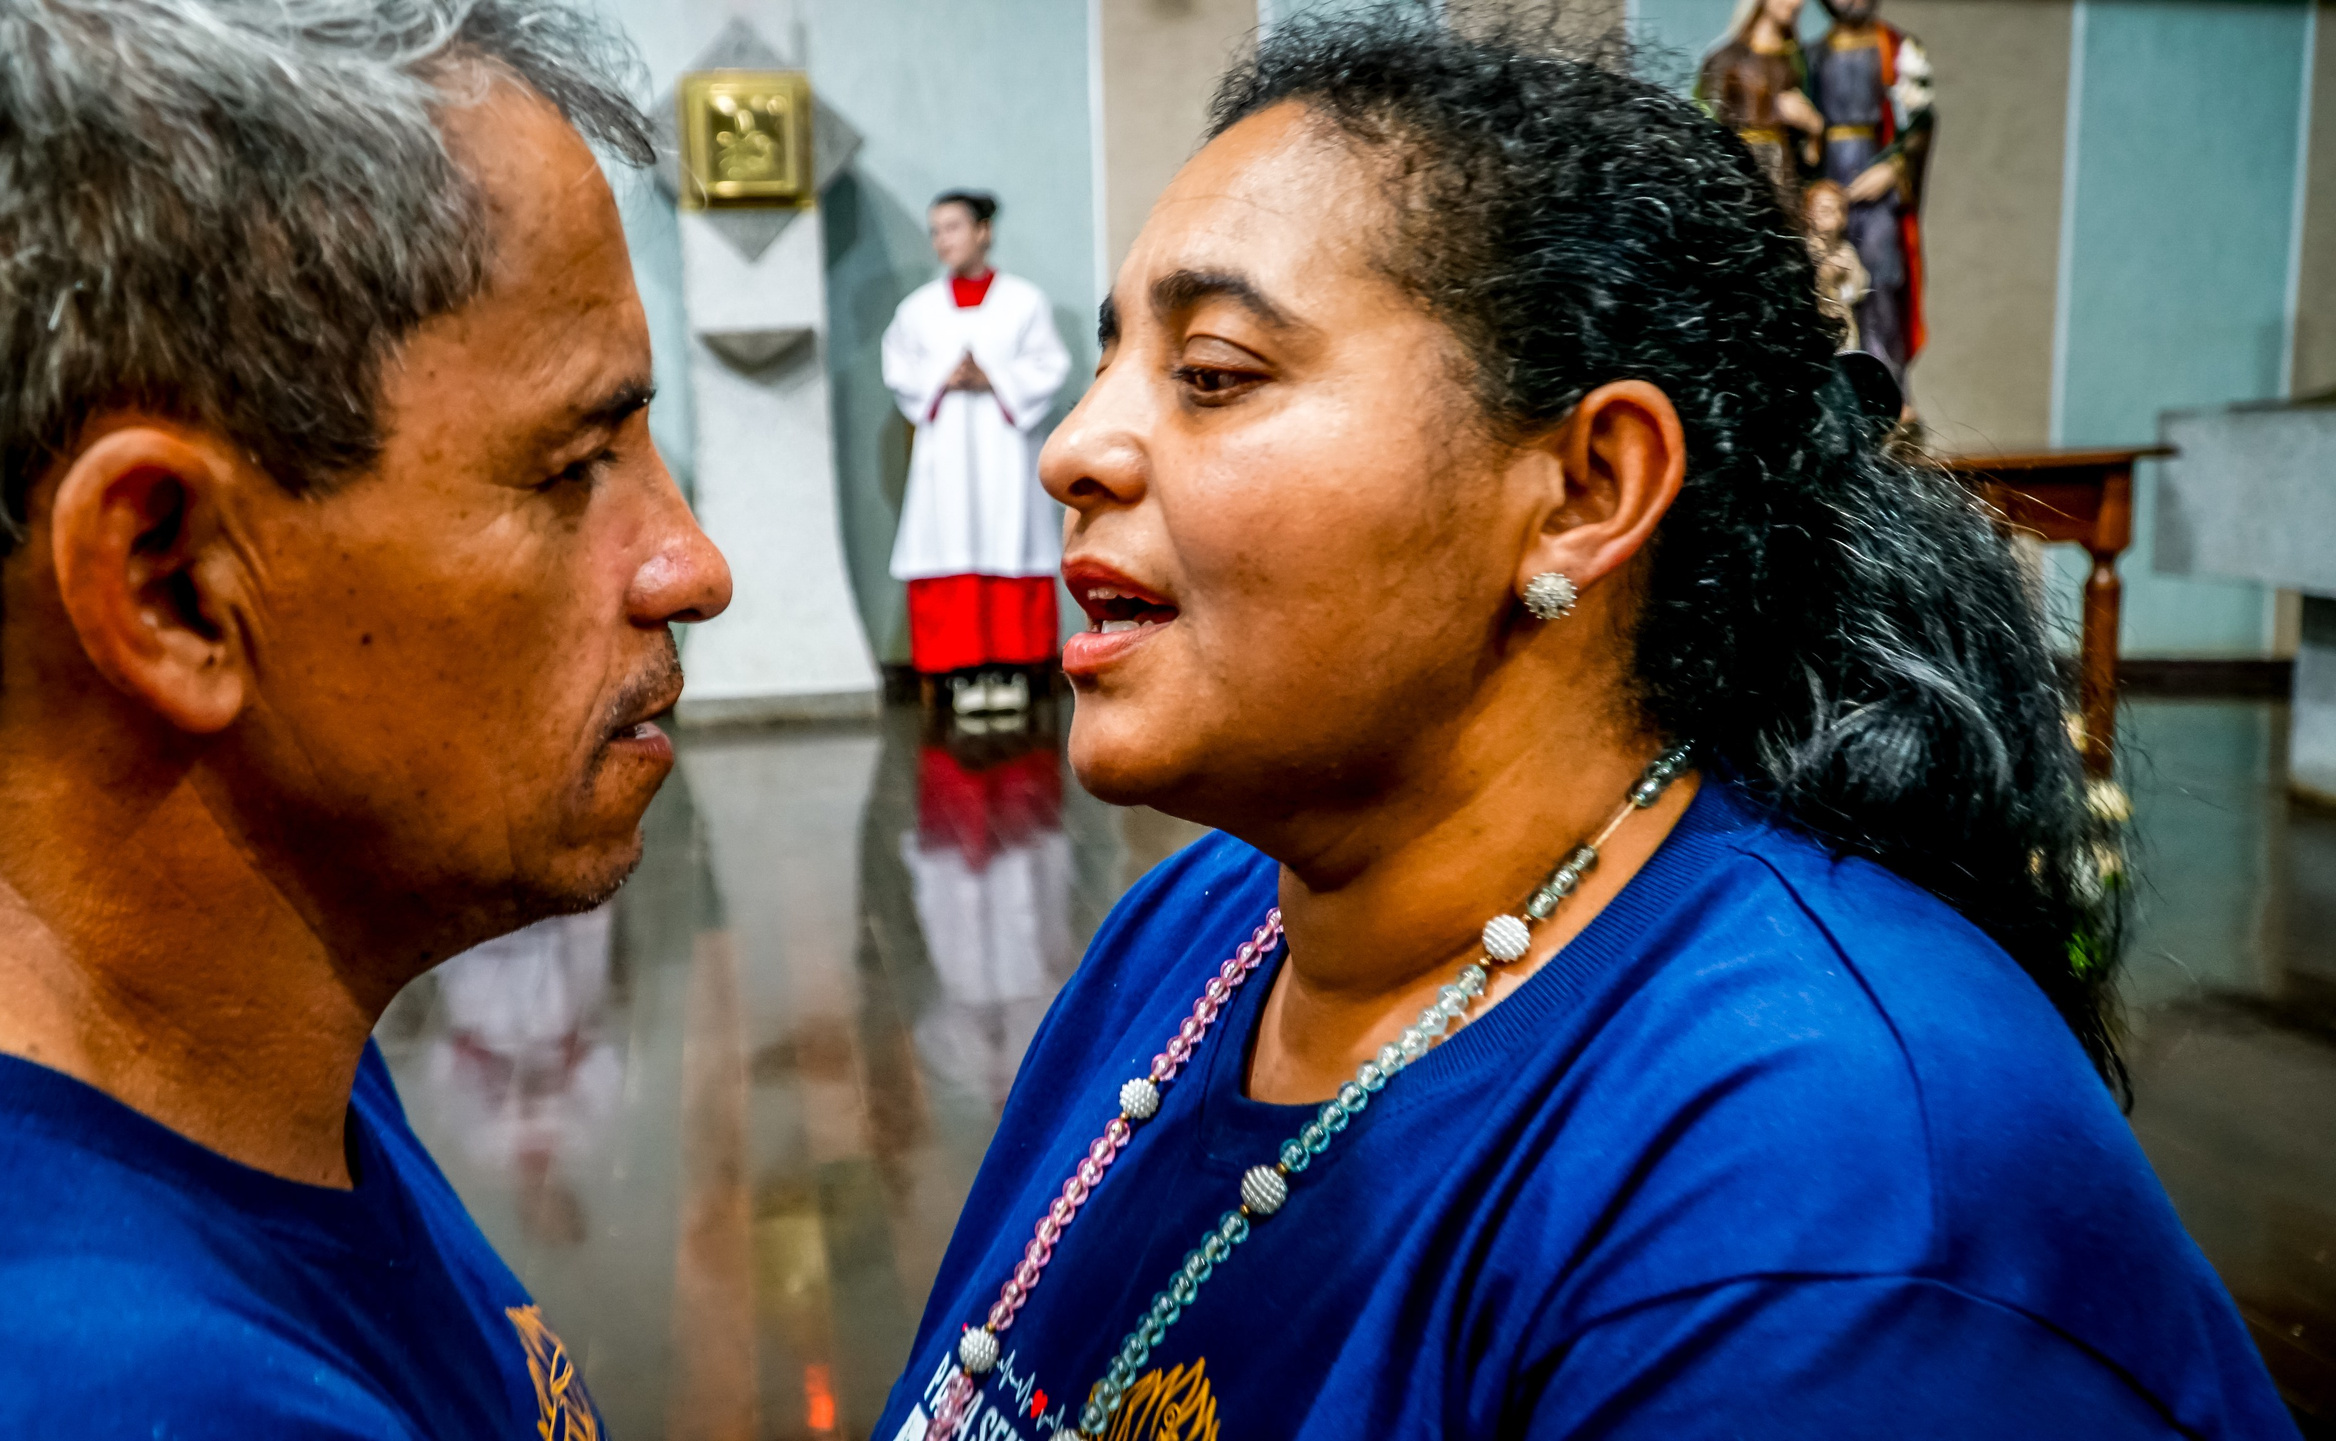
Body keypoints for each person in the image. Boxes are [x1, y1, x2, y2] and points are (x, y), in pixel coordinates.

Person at [878, 16, 2297, 1441]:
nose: (1073, 447)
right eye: (1112, 360)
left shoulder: (1830, 1191)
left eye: (1213, 371)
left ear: (1583, 491)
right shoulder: (1198, 926)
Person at [0, 2, 728, 1435]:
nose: (690, 567)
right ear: (170, 584)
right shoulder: (108, 1393)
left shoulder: (219, 1048)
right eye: (574, 463)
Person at [884, 191, 1075, 719]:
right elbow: (899, 369)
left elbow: (1049, 366)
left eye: (953, 227)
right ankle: (958, 672)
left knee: (1009, 538)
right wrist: (944, 377)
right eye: (936, 230)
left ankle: (1014, 669)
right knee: (948, 541)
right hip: (945, 452)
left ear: (983, 231)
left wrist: (992, 377)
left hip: (1004, 449)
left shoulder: (1024, 302)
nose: (942, 240)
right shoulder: (918, 309)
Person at [1803, 0, 1934, 384]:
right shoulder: (1814, 54)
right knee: (1827, 277)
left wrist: (1894, 167)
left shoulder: (1894, 48)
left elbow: (1919, 122)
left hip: (1876, 181)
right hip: (1831, 176)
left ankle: (1886, 380)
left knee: (1880, 275)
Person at [1694, 0, 1818, 202]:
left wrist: (1813, 127)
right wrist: (1772, 108)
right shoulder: (1725, 57)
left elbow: (1807, 151)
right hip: (1738, 171)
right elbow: (1704, 124)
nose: (1795, 3)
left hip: (1784, 176)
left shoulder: (1796, 60)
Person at [1804, 179, 1873, 349]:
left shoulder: (1845, 252)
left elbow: (1858, 289)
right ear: (1808, 214)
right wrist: (1824, 278)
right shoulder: (1804, 250)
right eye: (1824, 211)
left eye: (1837, 211)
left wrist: (1844, 280)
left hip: (1842, 327)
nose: (1832, 218)